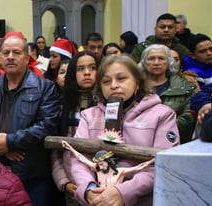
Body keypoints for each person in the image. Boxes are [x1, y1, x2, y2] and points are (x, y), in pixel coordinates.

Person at [71, 54, 179, 205]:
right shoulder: (89, 116)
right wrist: (89, 190)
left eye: (121, 78)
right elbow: (79, 160)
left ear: (137, 82)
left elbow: (162, 164)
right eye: (106, 81)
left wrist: (123, 192)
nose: (114, 85)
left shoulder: (162, 115)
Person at [0, 32, 61, 206]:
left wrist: (11, 142)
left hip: (32, 174)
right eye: (6, 53)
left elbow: (47, 125)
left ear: (27, 58)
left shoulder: (45, 87)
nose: (10, 57)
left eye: (16, 52)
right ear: (0, 58)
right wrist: (1, 143)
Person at [51, 51, 99, 206]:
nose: (86, 73)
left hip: (104, 183)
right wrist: (63, 181)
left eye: (92, 68)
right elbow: (56, 150)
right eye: (80, 69)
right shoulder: (62, 105)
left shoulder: (108, 105)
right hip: (72, 183)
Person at [139, 44, 196, 143]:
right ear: (144, 62)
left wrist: (160, 128)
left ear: (169, 62)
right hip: (138, 141)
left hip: (175, 141)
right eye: (151, 59)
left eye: (161, 58)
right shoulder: (134, 87)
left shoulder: (184, 87)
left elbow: (188, 118)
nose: (156, 62)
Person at [183, 34, 212, 129]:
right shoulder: (191, 73)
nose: (209, 53)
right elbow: (198, 97)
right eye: (202, 51)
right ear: (193, 55)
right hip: (208, 111)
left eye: (211, 49)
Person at [62, 140, 154, 187]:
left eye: (101, 164)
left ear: (108, 161)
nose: (100, 167)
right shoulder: (97, 168)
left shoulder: (119, 171)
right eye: (98, 164)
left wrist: (152, 160)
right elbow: (81, 158)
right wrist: (70, 148)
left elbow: (139, 167)